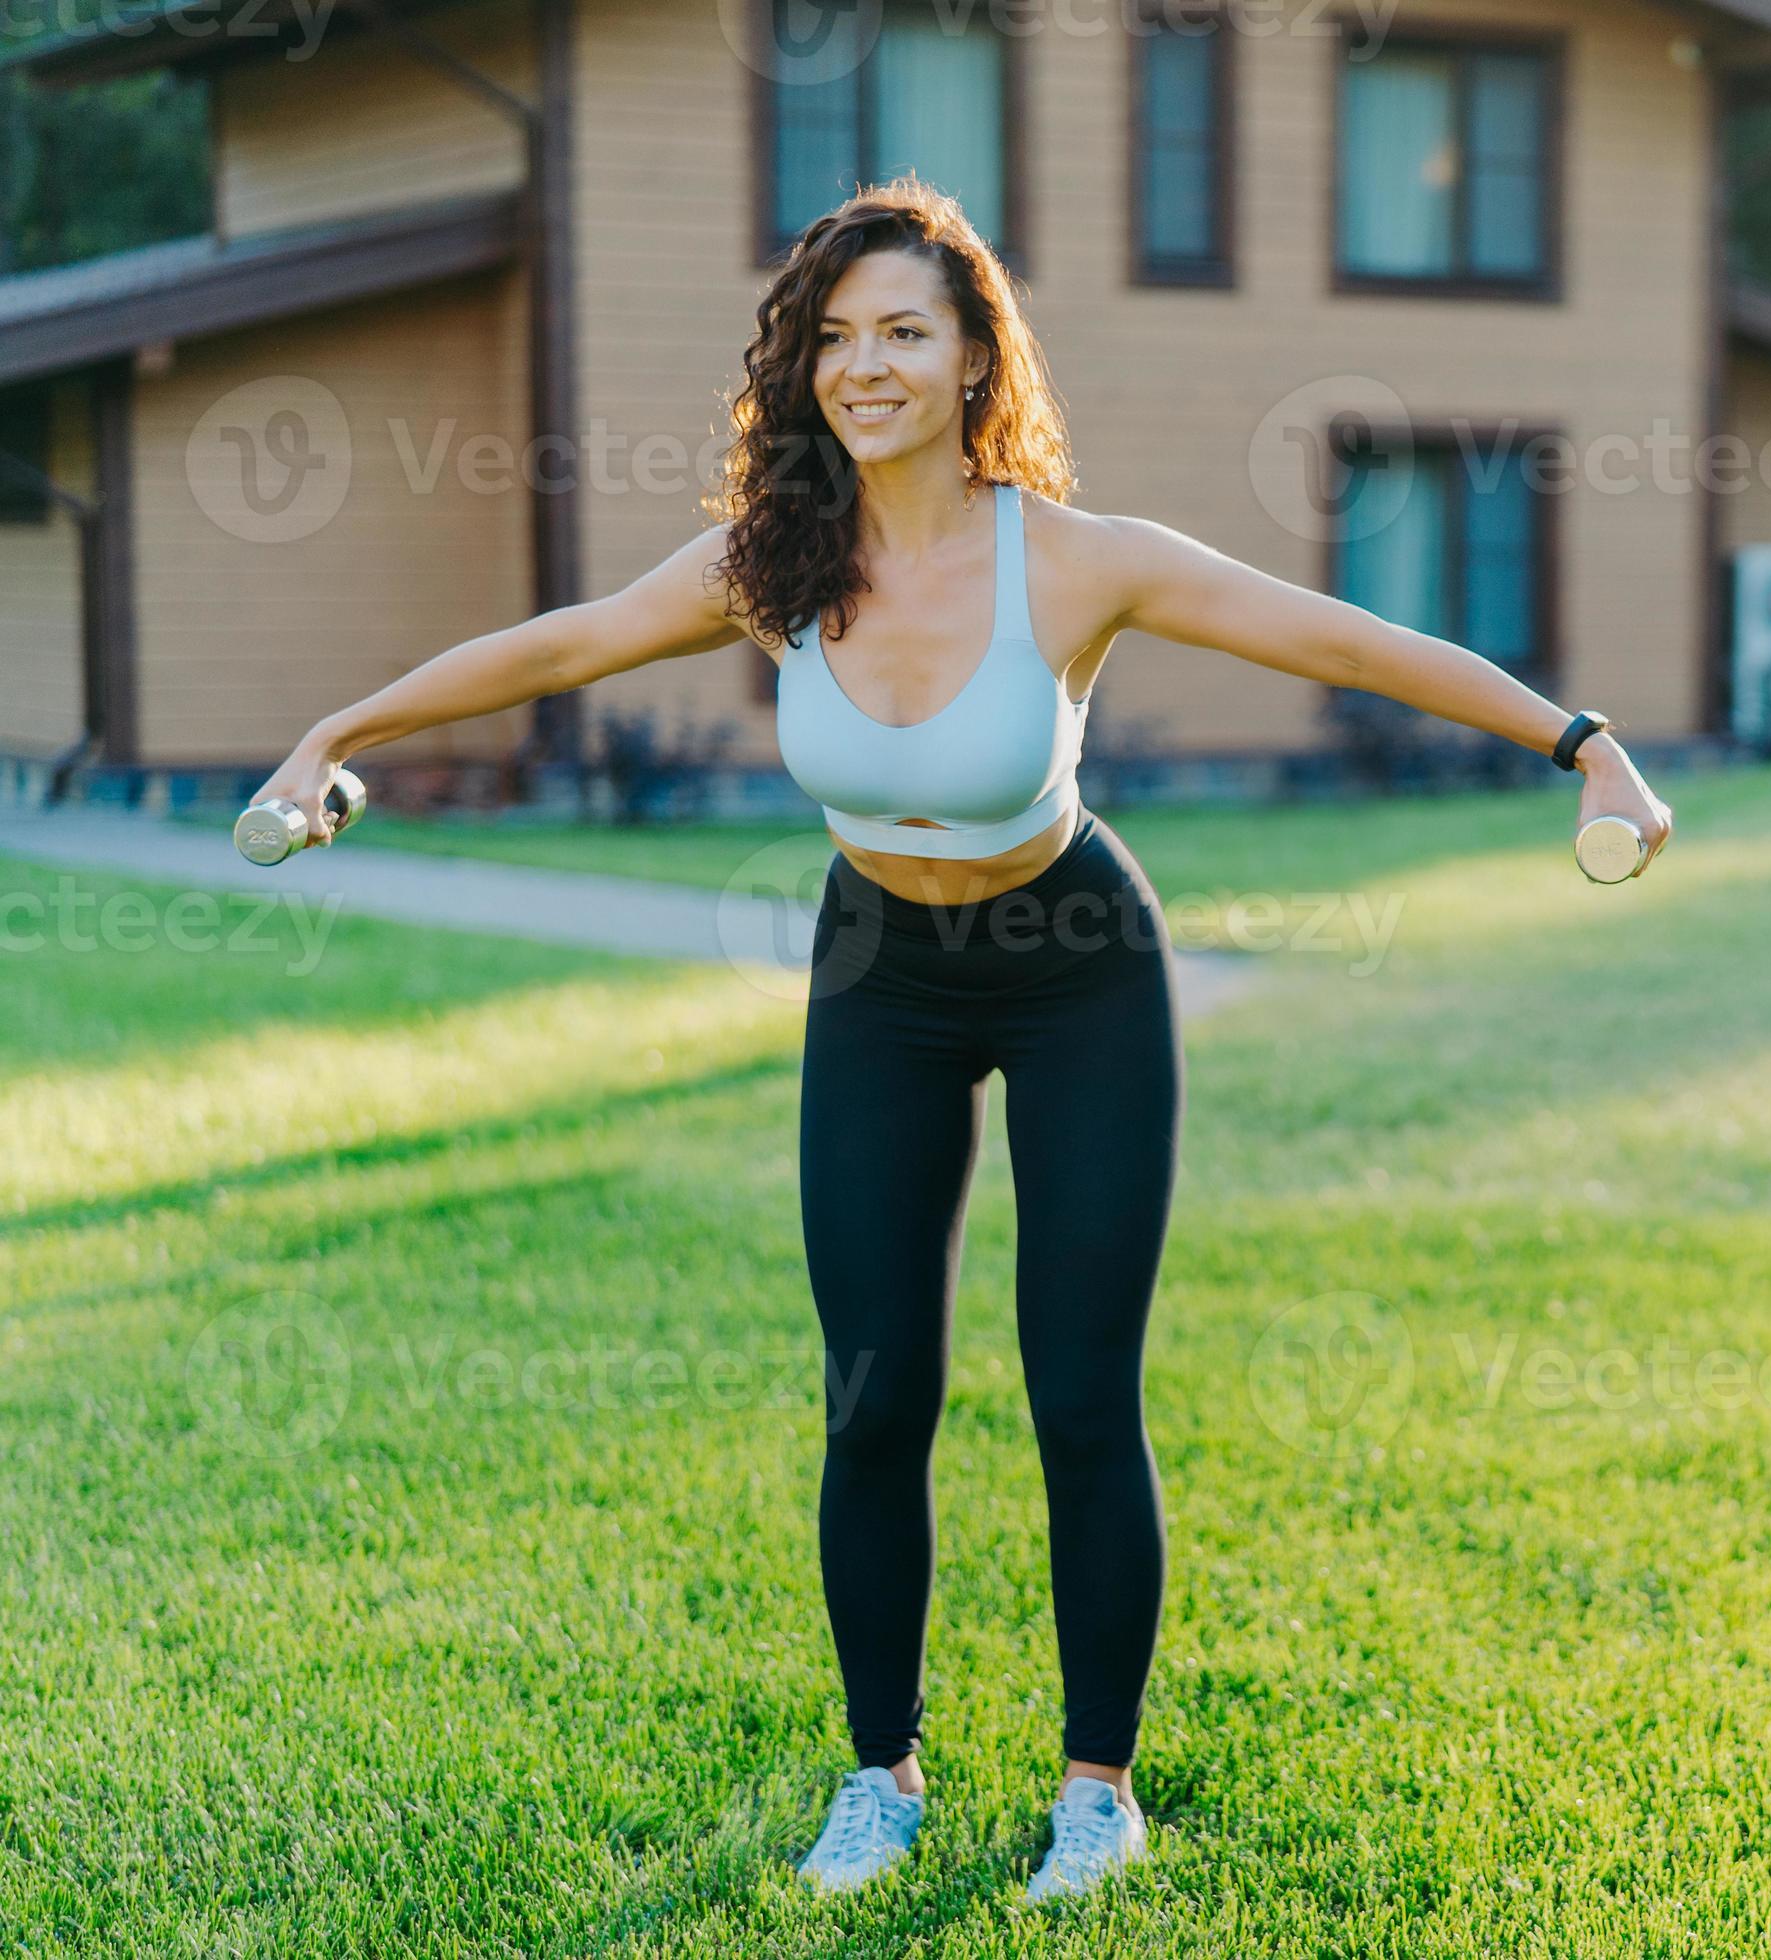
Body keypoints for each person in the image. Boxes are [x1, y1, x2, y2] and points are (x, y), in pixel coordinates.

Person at [247, 177, 1674, 1906]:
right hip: (882, 977)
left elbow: (1342, 639)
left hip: (1075, 965)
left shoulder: (1070, 558)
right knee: (873, 1402)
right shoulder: (768, 567)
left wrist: (1580, 740)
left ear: (974, 352)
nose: (866, 365)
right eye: (835, 338)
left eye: (905, 331)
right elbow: (564, 646)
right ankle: (882, 1777)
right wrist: (341, 724)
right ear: (801, 367)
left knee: (1081, 1393)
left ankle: (1095, 1792)